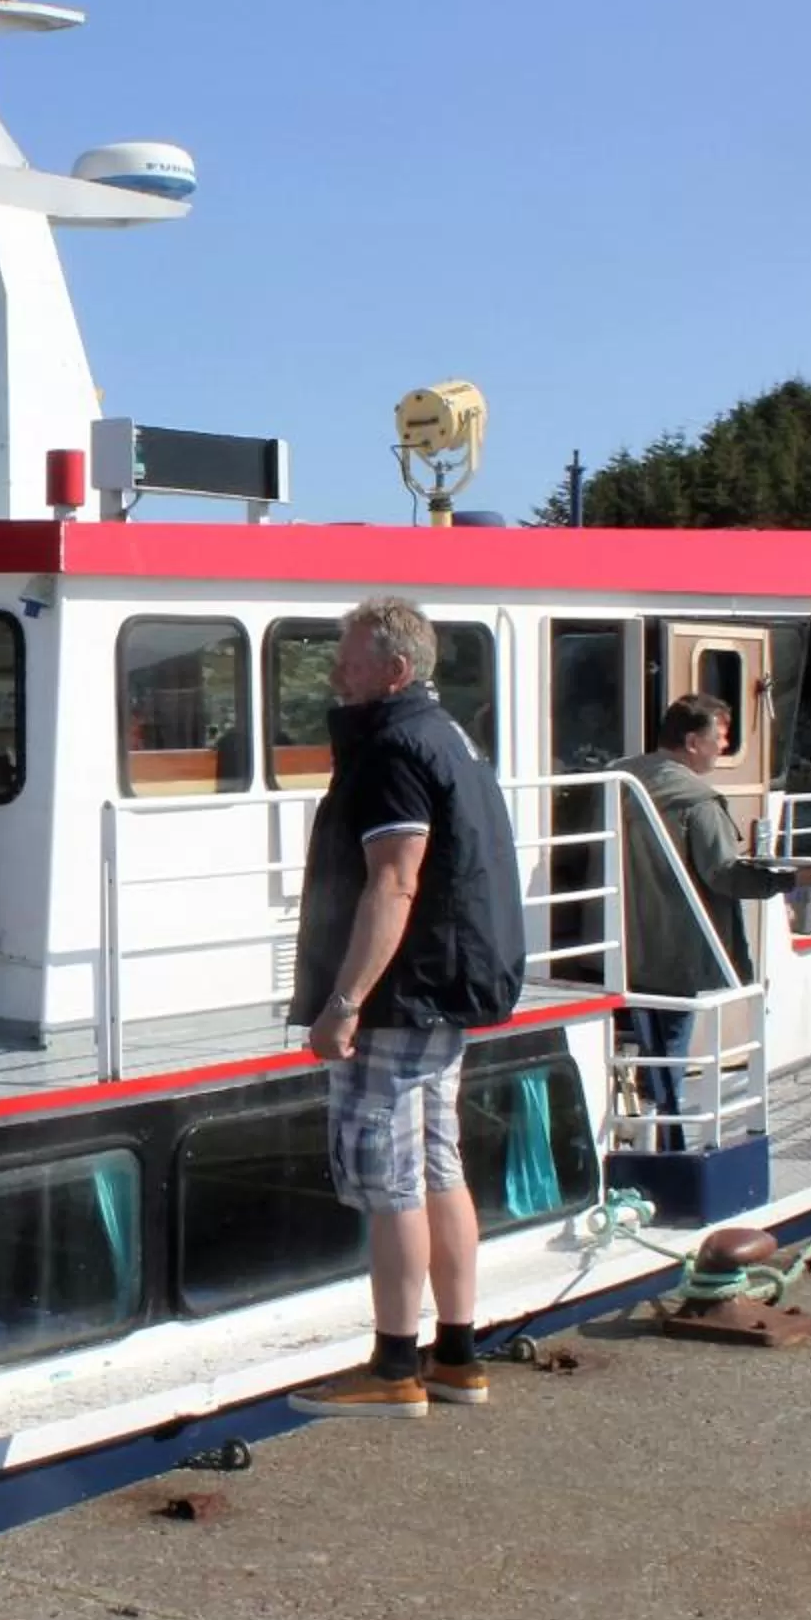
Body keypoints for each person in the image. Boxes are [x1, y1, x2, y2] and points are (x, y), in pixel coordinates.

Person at [285, 597, 527, 1420]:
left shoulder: (391, 746)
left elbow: (394, 882)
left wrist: (344, 1001)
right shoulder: (446, 734)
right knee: (437, 1164)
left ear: (393, 670)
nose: (335, 673)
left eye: (350, 660)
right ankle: (457, 1354)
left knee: (389, 1176)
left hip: (403, 993)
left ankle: (394, 1366)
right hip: (445, 985)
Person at [611, 694, 811, 1137]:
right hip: (674, 951)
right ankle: (666, 1140)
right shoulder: (698, 799)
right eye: (720, 737)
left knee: (643, 1041)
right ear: (692, 742)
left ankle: (638, 1129)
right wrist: (793, 879)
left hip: (621, 944)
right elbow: (724, 875)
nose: (723, 747)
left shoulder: (621, 777)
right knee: (669, 1049)